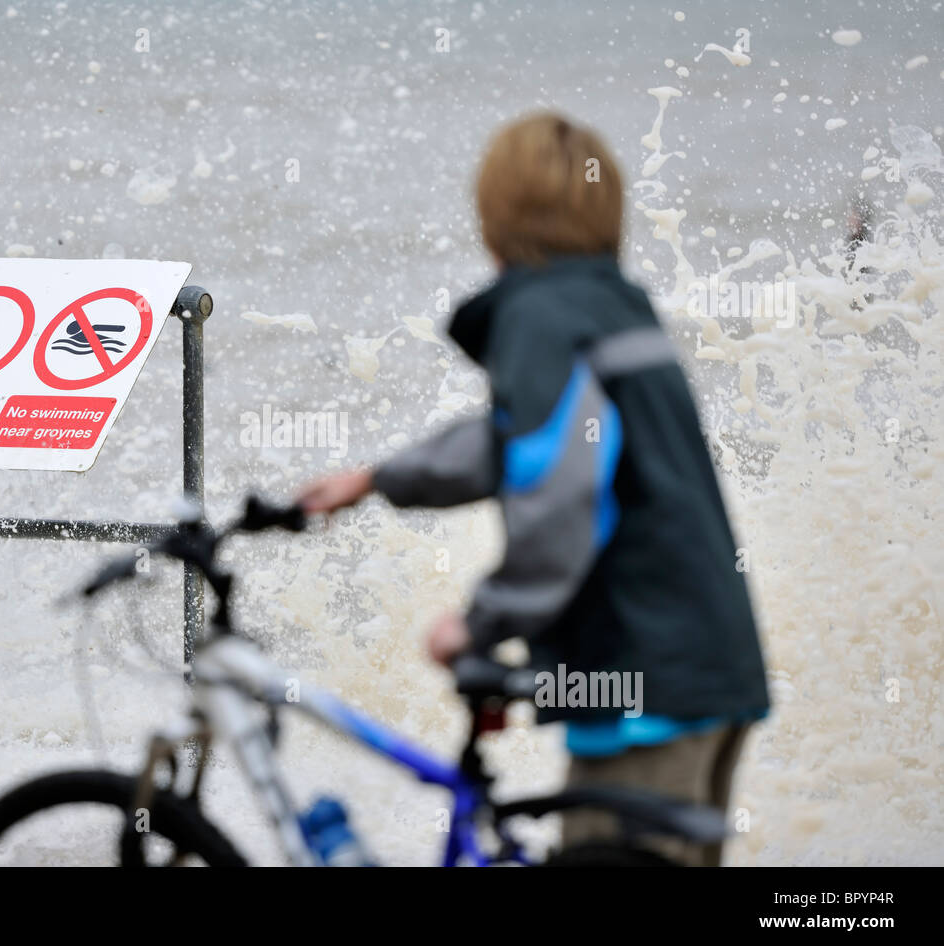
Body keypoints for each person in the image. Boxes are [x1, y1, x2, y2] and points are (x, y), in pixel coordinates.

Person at [297, 112, 769, 866]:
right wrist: (378, 479)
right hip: (710, 666)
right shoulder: (614, 305)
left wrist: (482, 621)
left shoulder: (538, 315)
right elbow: (525, 440)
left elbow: (557, 486)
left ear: (494, 222)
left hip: (642, 682)